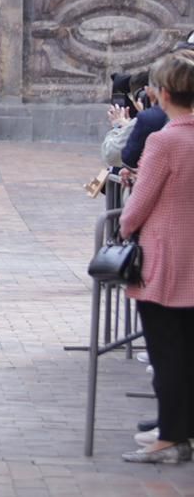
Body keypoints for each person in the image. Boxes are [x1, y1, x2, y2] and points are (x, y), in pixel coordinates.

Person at [118, 50, 194, 463]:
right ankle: (182, 430)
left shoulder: (163, 141)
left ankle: (170, 436)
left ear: (163, 94)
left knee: (166, 354)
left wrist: (125, 225)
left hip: (166, 260)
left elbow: (139, 205)